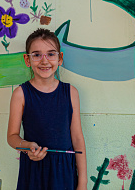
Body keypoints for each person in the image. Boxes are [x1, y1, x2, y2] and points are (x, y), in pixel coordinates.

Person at [7, 28, 87, 190]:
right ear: (27, 60)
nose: (44, 61)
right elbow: (12, 136)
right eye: (36, 55)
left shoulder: (71, 93)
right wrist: (27, 145)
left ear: (60, 58)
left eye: (51, 54)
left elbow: (77, 138)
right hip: (33, 172)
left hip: (64, 172)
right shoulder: (20, 94)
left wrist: (83, 182)